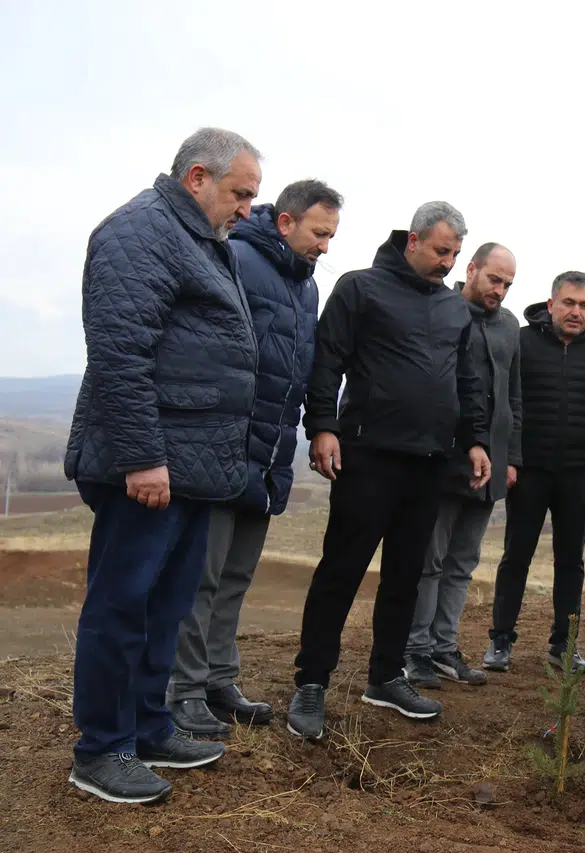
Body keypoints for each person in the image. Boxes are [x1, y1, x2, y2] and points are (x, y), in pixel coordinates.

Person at [64, 127, 263, 803]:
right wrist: (143, 457)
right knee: (122, 606)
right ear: (198, 177)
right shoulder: (139, 231)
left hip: (194, 466)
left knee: (165, 605)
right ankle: (101, 748)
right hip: (151, 467)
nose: (246, 209)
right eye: (240, 193)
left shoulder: (202, 239)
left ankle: (148, 725)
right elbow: (121, 355)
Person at [286, 202, 491, 739]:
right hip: (368, 452)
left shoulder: (454, 309)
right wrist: (323, 427)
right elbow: (326, 360)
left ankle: (385, 676)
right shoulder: (360, 289)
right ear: (413, 240)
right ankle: (311, 684)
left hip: (429, 462)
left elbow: (467, 381)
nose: (448, 262)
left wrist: (473, 441)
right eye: (441, 250)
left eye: (455, 253)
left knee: (405, 574)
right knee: (342, 570)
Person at [167, 179, 342, 737]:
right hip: (222, 447)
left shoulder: (307, 287)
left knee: (236, 574)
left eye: (332, 235)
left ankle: (219, 680)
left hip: (268, 453)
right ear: (286, 223)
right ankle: (184, 690)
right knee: (202, 576)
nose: (325, 246)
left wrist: (315, 428)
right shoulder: (236, 257)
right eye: (319, 233)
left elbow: (307, 366)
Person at [483, 271, 585, 674]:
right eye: (568, 303)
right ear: (551, 305)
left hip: (580, 473)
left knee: (572, 561)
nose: (576, 312)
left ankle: (564, 647)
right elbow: (507, 403)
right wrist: (509, 459)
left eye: (584, 305)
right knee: (516, 556)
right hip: (529, 470)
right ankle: (500, 641)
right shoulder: (524, 343)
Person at [404, 242, 521, 689]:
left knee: (462, 564)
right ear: (470, 269)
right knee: (429, 561)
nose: (501, 290)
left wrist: (513, 458)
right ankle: (415, 651)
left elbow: (515, 397)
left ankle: (443, 647)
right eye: (495, 279)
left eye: (508, 284)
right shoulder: (443, 310)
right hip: (445, 461)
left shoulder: (510, 326)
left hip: (492, 465)